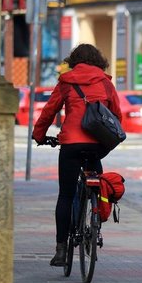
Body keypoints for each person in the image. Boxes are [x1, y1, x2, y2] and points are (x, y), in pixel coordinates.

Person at [32, 44, 123, 267]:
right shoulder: (105, 82)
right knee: (98, 183)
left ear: (74, 61)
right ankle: (95, 222)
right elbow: (117, 115)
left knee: (65, 196)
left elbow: (49, 111)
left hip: (71, 145)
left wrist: (39, 135)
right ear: (98, 61)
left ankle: (61, 250)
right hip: (97, 145)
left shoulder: (66, 82)